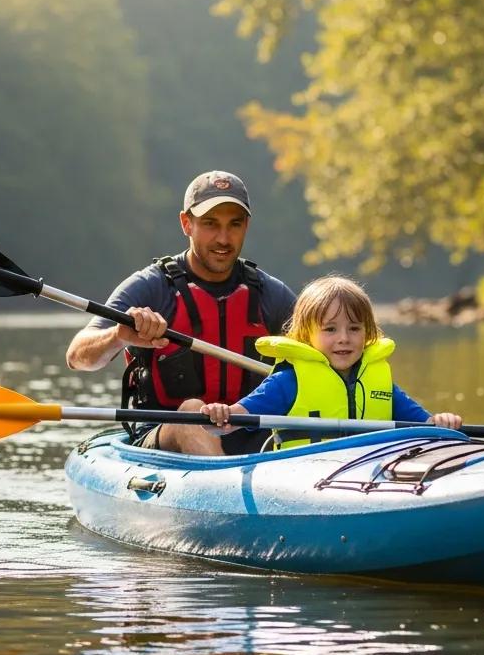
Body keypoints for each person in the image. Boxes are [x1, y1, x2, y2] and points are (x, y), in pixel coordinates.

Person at [65, 170, 297, 454]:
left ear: (246, 225)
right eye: (210, 224)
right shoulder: (151, 287)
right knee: (192, 410)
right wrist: (117, 336)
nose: (223, 238)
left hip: (252, 438)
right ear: (186, 223)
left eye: (234, 224)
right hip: (165, 438)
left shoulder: (270, 294)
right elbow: (77, 356)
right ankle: (223, 486)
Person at [198, 275, 463, 446]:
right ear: (306, 334)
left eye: (355, 329)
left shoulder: (380, 383)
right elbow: (230, 422)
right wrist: (221, 414)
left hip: (369, 476)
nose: (344, 338)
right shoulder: (287, 382)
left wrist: (442, 422)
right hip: (302, 479)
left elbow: (427, 427)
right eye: (330, 329)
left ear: (367, 333)